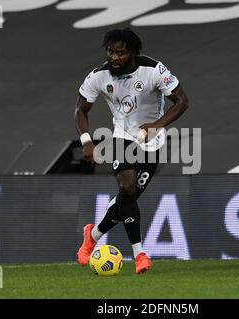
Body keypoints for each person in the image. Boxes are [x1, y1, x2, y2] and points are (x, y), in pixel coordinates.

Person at [74, 28, 189, 274]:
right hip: (122, 138)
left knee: (128, 199)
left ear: (133, 53)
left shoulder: (154, 71)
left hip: (152, 143)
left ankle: (92, 235)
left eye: (121, 53)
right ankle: (139, 255)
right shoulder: (98, 76)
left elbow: (182, 101)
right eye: (110, 52)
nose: (114, 58)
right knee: (126, 187)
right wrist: (86, 141)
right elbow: (80, 110)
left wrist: (157, 126)